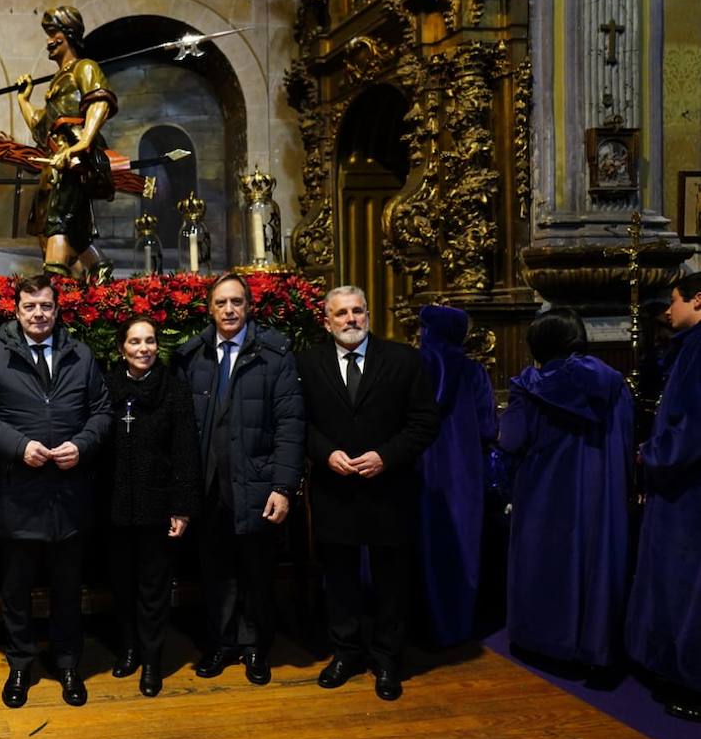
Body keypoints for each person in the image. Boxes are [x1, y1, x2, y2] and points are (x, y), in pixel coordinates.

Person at [0, 273, 112, 708]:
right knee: (17, 589)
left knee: (68, 588)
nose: (38, 314)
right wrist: (19, 446)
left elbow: (102, 410)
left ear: (56, 308)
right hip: (18, 495)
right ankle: (20, 664)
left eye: (46, 306)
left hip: (69, 495)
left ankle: (68, 663)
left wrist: (83, 445)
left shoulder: (80, 355)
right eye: (30, 307)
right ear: (17, 310)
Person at [295, 285, 439, 701]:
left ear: (368, 315)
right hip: (333, 490)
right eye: (340, 314)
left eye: (357, 311)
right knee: (338, 579)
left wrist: (385, 456)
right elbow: (298, 423)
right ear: (327, 321)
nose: (350, 319)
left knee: (392, 580)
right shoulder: (307, 363)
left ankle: (388, 659)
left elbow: (425, 422)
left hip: (388, 490)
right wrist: (325, 454)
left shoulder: (404, 361)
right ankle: (345, 654)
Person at [172, 273, 305, 687]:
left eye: (236, 303)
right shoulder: (192, 356)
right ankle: (220, 644)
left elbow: (290, 425)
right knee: (214, 573)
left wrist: (283, 488)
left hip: (258, 487)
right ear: (209, 309)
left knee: (257, 574)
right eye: (221, 303)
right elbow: (180, 429)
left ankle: (254, 648)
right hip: (209, 488)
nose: (229, 310)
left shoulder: (274, 354)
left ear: (249, 307)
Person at [497, 308, 632, 672]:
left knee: (546, 562)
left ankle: (546, 642)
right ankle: (594, 645)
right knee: (594, 563)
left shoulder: (529, 385)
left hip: (546, 490)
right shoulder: (613, 382)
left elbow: (511, 440)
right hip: (599, 489)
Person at [104, 316, 202, 696]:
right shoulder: (108, 387)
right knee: (121, 584)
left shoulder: (174, 391)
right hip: (114, 506)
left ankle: (152, 659)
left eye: (149, 342)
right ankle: (128, 648)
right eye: (135, 342)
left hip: (158, 507)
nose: (143, 349)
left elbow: (186, 453)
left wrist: (182, 507)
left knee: (153, 588)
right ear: (121, 349)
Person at [627, 272, 701, 722]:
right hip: (684, 483)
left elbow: (693, 425)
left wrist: (650, 456)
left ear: (698, 299)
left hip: (689, 488)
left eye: (674, 301)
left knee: (686, 582)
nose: (668, 311)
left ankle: (689, 681)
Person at [416, 304, 498, 647]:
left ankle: (421, 624)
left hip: (420, 467)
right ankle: (458, 625)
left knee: (422, 541)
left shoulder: (416, 365)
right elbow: (487, 426)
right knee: (461, 543)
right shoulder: (473, 371)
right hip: (464, 470)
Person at [15, 6, 117, 278]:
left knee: (56, 225)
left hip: (71, 162)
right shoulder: (58, 81)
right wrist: (24, 100)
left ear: (68, 34)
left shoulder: (84, 67)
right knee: (73, 232)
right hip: (56, 161)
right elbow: (41, 126)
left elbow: (99, 101)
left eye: (53, 33)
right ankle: (101, 273)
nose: (48, 40)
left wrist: (83, 143)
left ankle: (54, 292)